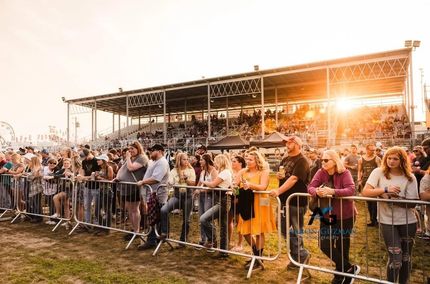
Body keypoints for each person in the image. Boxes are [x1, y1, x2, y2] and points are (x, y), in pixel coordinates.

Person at [362, 147, 419, 284]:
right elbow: (366, 191)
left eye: (395, 159)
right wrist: (384, 190)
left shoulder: (410, 177)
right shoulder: (378, 172)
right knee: (396, 258)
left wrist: (393, 200)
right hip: (387, 221)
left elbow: (413, 204)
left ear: (402, 160)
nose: (391, 161)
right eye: (389, 158)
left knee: (406, 257)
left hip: (408, 221)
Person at [308, 150, 359, 284]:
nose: (322, 162)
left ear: (334, 161)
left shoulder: (345, 173)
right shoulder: (320, 172)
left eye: (326, 160)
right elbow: (310, 187)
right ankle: (349, 269)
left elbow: (351, 190)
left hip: (345, 215)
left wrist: (333, 192)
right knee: (324, 244)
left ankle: (341, 277)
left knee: (343, 246)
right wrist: (317, 192)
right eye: (322, 160)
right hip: (327, 215)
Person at [270, 136, 310, 269]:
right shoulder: (285, 159)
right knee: (282, 227)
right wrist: (279, 176)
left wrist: (278, 191)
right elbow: (284, 175)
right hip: (284, 200)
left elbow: (293, 179)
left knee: (295, 230)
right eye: (286, 142)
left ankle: (299, 257)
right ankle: (299, 255)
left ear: (298, 144)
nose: (287, 145)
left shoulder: (302, 160)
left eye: (290, 142)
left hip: (296, 201)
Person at [237, 150, 275, 270]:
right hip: (246, 203)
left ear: (257, 160)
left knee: (259, 231)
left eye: (250, 159)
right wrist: (233, 191)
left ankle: (258, 259)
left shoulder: (264, 172)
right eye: (247, 159)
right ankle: (257, 255)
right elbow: (236, 185)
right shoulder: (242, 171)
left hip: (260, 203)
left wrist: (250, 185)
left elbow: (263, 187)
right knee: (245, 231)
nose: (247, 161)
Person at [136, 144, 170, 250]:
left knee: (155, 217)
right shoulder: (154, 162)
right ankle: (155, 239)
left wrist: (143, 182)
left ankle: (153, 240)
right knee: (154, 217)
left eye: (152, 151)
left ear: (159, 151)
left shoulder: (162, 162)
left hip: (158, 195)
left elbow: (156, 178)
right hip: (153, 194)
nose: (150, 153)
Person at [159, 152, 196, 244]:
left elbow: (193, 183)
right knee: (164, 210)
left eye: (187, 159)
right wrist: (170, 182)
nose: (186, 161)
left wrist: (186, 179)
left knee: (186, 220)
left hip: (188, 196)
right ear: (179, 160)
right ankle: (165, 232)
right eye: (184, 159)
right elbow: (170, 182)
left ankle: (183, 240)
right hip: (177, 195)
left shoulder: (191, 170)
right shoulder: (173, 171)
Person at [114, 141, 148, 240]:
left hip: (135, 188)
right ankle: (133, 229)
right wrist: (117, 177)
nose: (130, 151)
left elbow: (131, 168)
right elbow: (122, 169)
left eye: (132, 149)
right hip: (126, 188)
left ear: (138, 148)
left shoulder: (142, 158)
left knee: (134, 208)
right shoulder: (129, 158)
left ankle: (137, 231)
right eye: (129, 149)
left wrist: (128, 157)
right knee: (129, 208)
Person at [200, 154, 233, 256]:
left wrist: (203, 181)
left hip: (223, 201)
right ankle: (223, 251)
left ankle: (212, 239)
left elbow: (213, 184)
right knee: (223, 227)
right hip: (222, 200)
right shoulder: (223, 172)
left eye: (216, 161)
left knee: (204, 219)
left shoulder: (225, 172)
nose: (214, 163)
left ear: (221, 161)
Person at [195, 153, 218, 246]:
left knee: (207, 218)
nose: (200, 161)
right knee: (201, 217)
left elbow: (215, 185)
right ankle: (203, 238)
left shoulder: (213, 171)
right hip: (201, 196)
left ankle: (212, 239)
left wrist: (204, 189)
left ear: (207, 161)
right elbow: (199, 183)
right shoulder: (202, 171)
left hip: (209, 196)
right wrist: (196, 189)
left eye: (202, 160)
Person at [357, 143, 381, 226]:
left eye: (374, 150)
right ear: (367, 150)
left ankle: (375, 220)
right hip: (365, 181)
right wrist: (359, 180)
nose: (373, 151)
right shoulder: (361, 159)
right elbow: (359, 171)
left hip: (374, 182)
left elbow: (380, 170)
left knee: (374, 202)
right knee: (369, 202)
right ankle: (372, 220)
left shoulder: (377, 159)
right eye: (371, 150)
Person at [93, 154, 114, 235]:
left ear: (104, 161)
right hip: (101, 191)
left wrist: (99, 178)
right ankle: (102, 226)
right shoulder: (101, 168)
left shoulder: (109, 168)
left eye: (99, 160)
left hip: (107, 191)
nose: (97, 161)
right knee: (97, 210)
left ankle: (106, 229)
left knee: (106, 210)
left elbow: (110, 180)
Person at [229, 155, 246, 251]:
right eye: (232, 161)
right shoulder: (231, 172)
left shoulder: (243, 172)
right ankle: (229, 241)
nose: (232, 163)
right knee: (229, 220)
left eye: (234, 161)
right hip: (231, 198)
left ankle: (240, 244)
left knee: (239, 222)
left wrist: (236, 196)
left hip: (239, 199)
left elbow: (239, 186)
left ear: (240, 163)